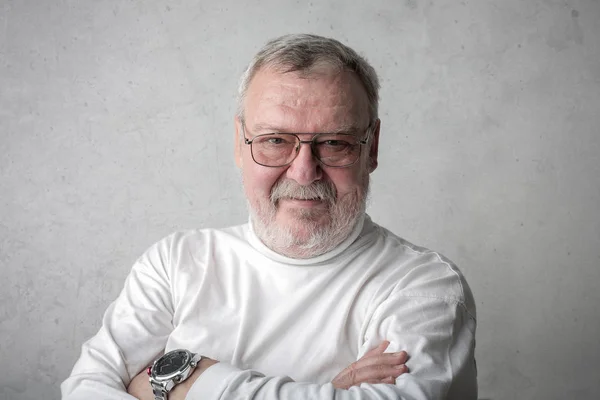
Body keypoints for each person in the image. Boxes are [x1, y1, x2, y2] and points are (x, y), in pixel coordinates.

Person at [62, 33, 477, 400]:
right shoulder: (175, 263)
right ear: (240, 145)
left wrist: (189, 383)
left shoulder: (424, 285)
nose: (303, 171)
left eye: (334, 142)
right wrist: (326, 392)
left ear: (371, 148)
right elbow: (85, 387)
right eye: (275, 140)